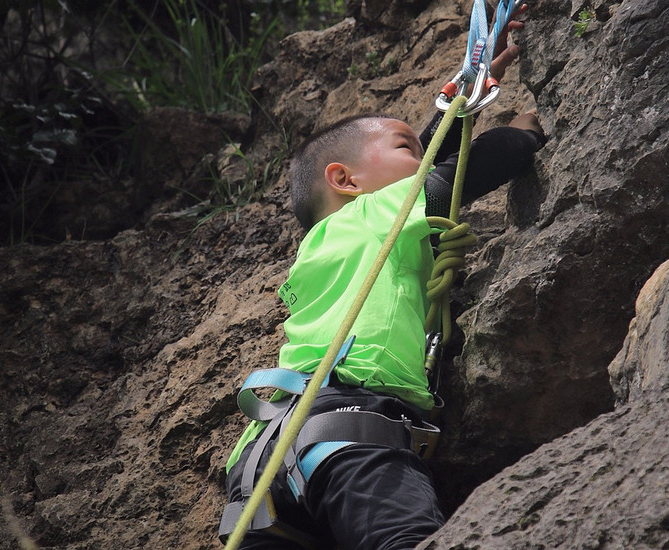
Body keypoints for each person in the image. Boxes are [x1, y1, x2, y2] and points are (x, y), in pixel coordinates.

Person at [221, 27, 546, 550]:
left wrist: (467, 90)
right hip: (350, 438)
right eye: (405, 148)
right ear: (346, 182)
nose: (421, 159)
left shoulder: (330, 246)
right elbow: (462, 169)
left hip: (262, 471)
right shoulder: (374, 217)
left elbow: (431, 157)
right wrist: (527, 132)